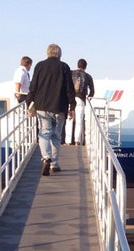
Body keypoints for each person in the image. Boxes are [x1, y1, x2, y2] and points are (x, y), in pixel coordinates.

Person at [26, 44, 76, 175]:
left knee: (44, 133)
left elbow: (33, 86)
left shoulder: (39, 66)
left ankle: (46, 158)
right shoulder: (64, 67)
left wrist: (29, 103)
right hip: (60, 107)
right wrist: (72, 106)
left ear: (47, 53)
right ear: (59, 54)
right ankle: (54, 164)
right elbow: (69, 89)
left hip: (42, 106)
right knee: (56, 136)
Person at [64, 58, 95, 146]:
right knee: (79, 121)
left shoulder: (70, 73)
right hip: (81, 100)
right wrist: (88, 97)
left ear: (77, 65)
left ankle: (68, 141)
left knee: (69, 120)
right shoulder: (88, 76)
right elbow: (92, 91)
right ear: (85, 67)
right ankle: (77, 141)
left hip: (70, 99)